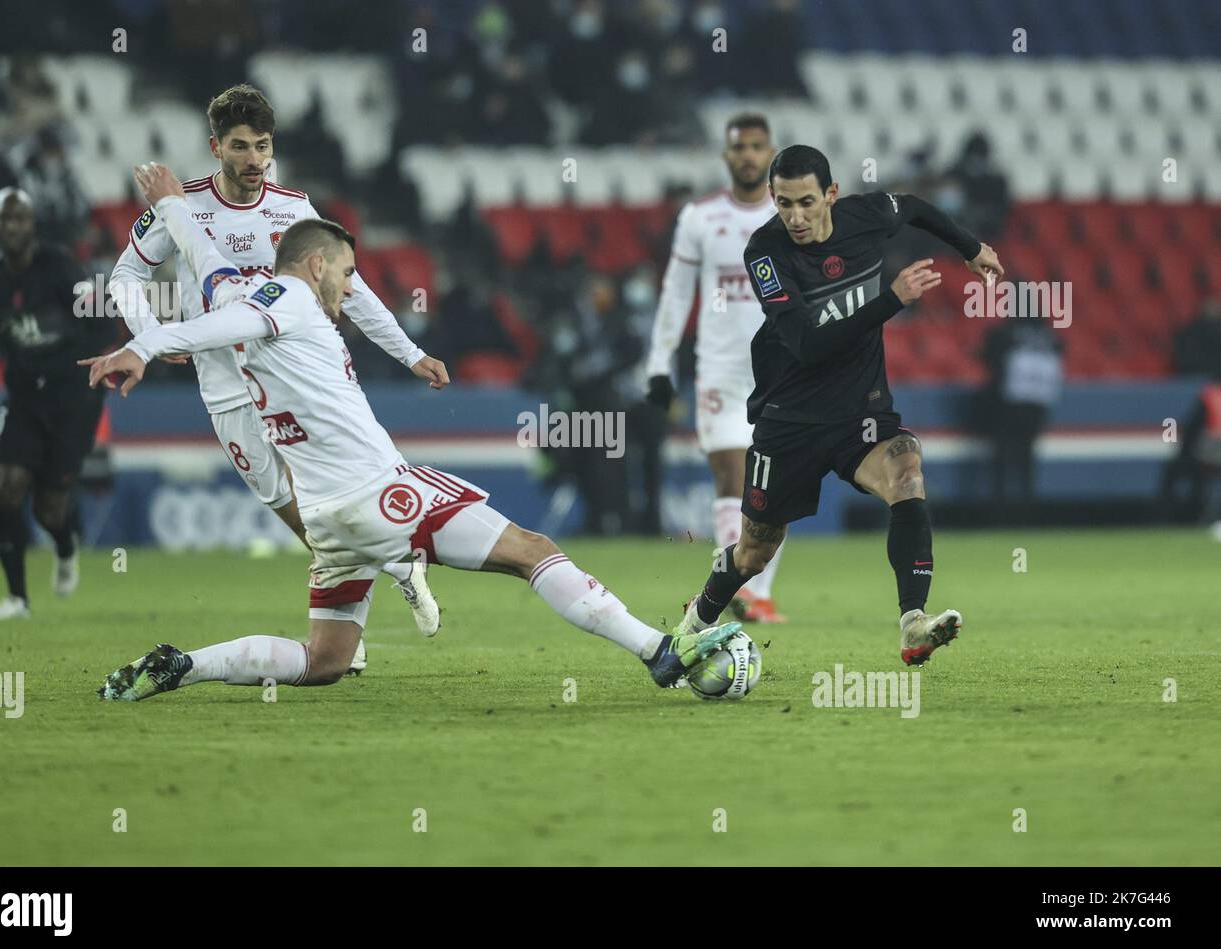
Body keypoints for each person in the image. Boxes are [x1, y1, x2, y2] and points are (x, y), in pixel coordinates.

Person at [83, 164, 744, 700]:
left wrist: (172, 212)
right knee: (531, 550)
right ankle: (659, 651)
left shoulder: (238, 294)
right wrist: (147, 346)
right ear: (315, 266)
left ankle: (186, 665)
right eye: (344, 274)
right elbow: (216, 325)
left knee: (325, 661)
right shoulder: (287, 299)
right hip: (377, 493)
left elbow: (207, 269)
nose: (348, 289)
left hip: (324, 519)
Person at [106, 84, 448, 672]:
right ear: (215, 148)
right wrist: (146, 332)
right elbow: (125, 274)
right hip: (225, 386)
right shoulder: (182, 206)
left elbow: (351, 287)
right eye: (239, 147)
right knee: (292, 507)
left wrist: (409, 354)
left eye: (262, 146)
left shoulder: (293, 208)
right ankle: (390, 569)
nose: (253, 160)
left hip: (295, 381)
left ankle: (357, 613)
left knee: (335, 493)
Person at [671, 145, 1004, 665]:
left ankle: (913, 622)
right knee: (754, 552)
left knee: (907, 472)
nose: (795, 217)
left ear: (831, 194)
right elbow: (807, 344)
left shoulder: (865, 217)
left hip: (859, 414)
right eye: (783, 204)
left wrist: (969, 245)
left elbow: (913, 204)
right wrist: (891, 299)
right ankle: (693, 625)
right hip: (790, 419)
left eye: (806, 202)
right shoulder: (765, 253)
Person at [0, 188, 112, 619]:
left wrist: (98, 364)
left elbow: (101, 320)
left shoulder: (61, 269)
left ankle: (65, 546)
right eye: (5, 219)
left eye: (20, 218)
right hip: (26, 396)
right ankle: (17, 599)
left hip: (73, 397)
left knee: (49, 507)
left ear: (32, 224)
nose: (13, 227)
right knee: (7, 489)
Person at [645, 113, 784, 622]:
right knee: (733, 474)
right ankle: (739, 589)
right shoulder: (700, 217)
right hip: (721, 370)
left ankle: (760, 593)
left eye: (756, 145)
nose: (747, 154)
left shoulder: (792, 216)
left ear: (770, 151)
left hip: (782, 371)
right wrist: (659, 365)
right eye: (738, 147)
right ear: (726, 156)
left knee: (774, 485)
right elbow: (677, 293)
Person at [981, 312, 1063, 506]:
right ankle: (1027, 504)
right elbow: (1059, 354)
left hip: (1009, 400)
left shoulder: (1006, 331)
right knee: (1027, 454)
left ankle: (1000, 505)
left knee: (1003, 453)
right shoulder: (1048, 334)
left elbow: (989, 356)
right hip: (1038, 400)